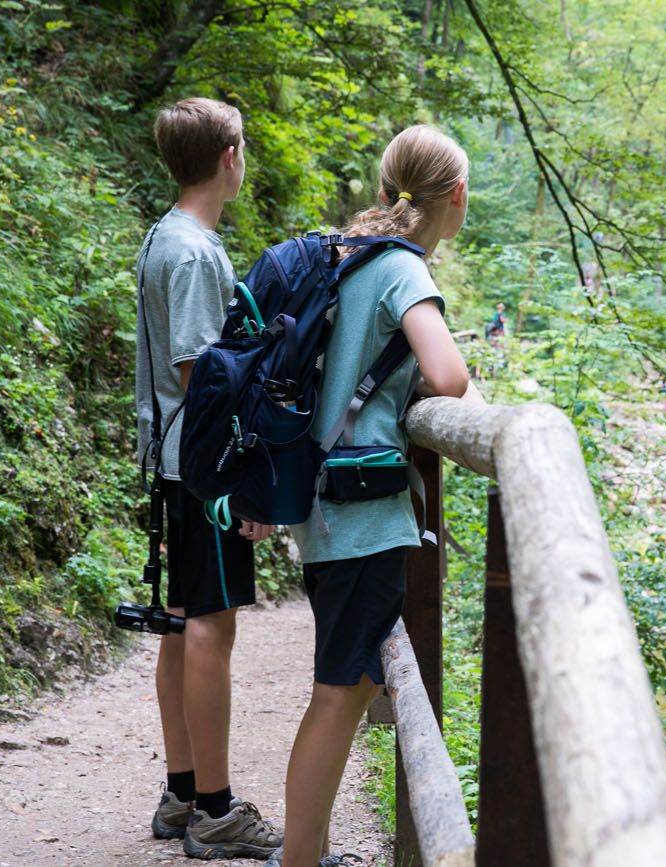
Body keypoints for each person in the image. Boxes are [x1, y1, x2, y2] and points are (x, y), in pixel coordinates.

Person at [272, 124, 476, 867]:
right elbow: (449, 377)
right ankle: (299, 858)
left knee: (342, 686)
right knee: (340, 691)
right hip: (361, 518)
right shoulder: (403, 270)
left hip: (327, 507)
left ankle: (307, 850)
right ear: (455, 196)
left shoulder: (353, 254)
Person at [135, 98, 282, 859]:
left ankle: (182, 790)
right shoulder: (193, 251)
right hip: (202, 469)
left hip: (175, 461)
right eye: (245, 145)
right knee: (208, 626)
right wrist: (243, 482)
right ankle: (216, 810)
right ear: (229, 158)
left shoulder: (168, 235)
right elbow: (203, 378)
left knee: (183, 619)